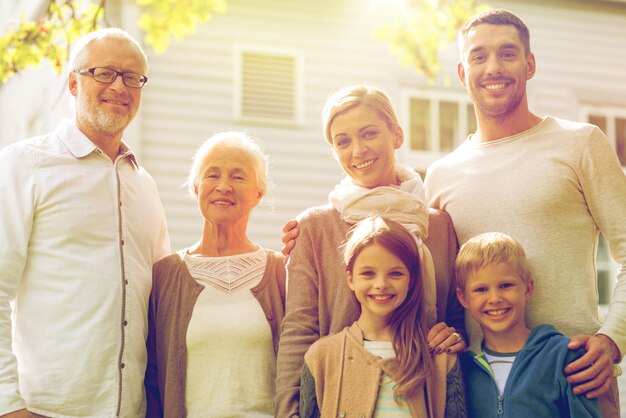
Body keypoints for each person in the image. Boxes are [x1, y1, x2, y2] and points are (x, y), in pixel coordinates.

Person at [423, 9, 626, 417]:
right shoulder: (441, 174)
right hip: (476, 389)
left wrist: (613, 338)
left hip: (574, 382)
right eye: (479, 57)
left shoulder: (580, 143)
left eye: (508, 54)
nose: (493, 67)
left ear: (529, 64)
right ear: (463, 73)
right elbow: (431, 276)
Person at [0, 28, 170, 417]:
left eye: (132, 77)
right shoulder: (24, 165)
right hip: (44, 410)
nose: (119, 86)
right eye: (104, 73)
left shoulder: (144, 185)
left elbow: (164, 295)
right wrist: (7, 404)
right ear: (73, 83)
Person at [276, 85, 465, 417]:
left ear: (396, 135)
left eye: (369, 134)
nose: (358, 150)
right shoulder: (315, 227)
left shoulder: (438, 226)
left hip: (421, 398)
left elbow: (457, 316)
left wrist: (453, 336)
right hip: (339, 399)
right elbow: (298, 331)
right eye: (343, 141)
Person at [144, 131, 286, 417]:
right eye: (212, 175)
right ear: (196, 188)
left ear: (258, 193)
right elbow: (150, 380)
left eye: (237, 176)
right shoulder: (164, 275)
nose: (223, 186)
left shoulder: (282, 272)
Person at [300, 216, 466, 417]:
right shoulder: (321, 358)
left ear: (411, 280)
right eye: (368, 274)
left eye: (395, 274)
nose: (381, 284)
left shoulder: (441, 359)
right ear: (350, 279)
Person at [455, 232, 601, 417]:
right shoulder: (464, 367)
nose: (494, 299)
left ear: (528, 288)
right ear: (463, 298)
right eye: (481, 289)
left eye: (506, 285)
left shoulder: (564, 356)